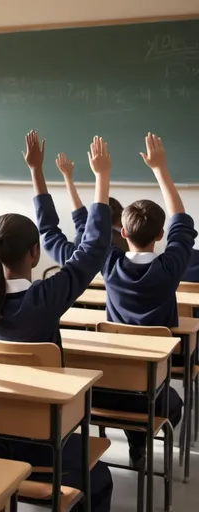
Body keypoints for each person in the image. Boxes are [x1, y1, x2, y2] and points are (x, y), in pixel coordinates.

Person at [0, 132, 113, 512]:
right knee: (100, 480)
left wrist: (36, 171)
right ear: (35, 255)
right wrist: (101, 177)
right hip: (46, 441)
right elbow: (94, 246)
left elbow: (77, 243)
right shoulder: (45, 298)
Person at [51, 133, 195, 465]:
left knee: (134, 389)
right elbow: (182, 224)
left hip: (108, 388)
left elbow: (94, 232)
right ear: (160, 236)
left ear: (123, 233)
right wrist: (161, 170)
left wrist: (97, 177)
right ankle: (141, 439)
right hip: (151, 387)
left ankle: (135, 439)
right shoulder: (170, 267)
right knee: (172, 401)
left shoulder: (109, 263)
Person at [56, 153, 128, 251]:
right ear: (121, 218)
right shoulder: (127, 242)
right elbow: (80, 218)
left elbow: (80, 219)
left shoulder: (85, 240)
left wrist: (67, 177)